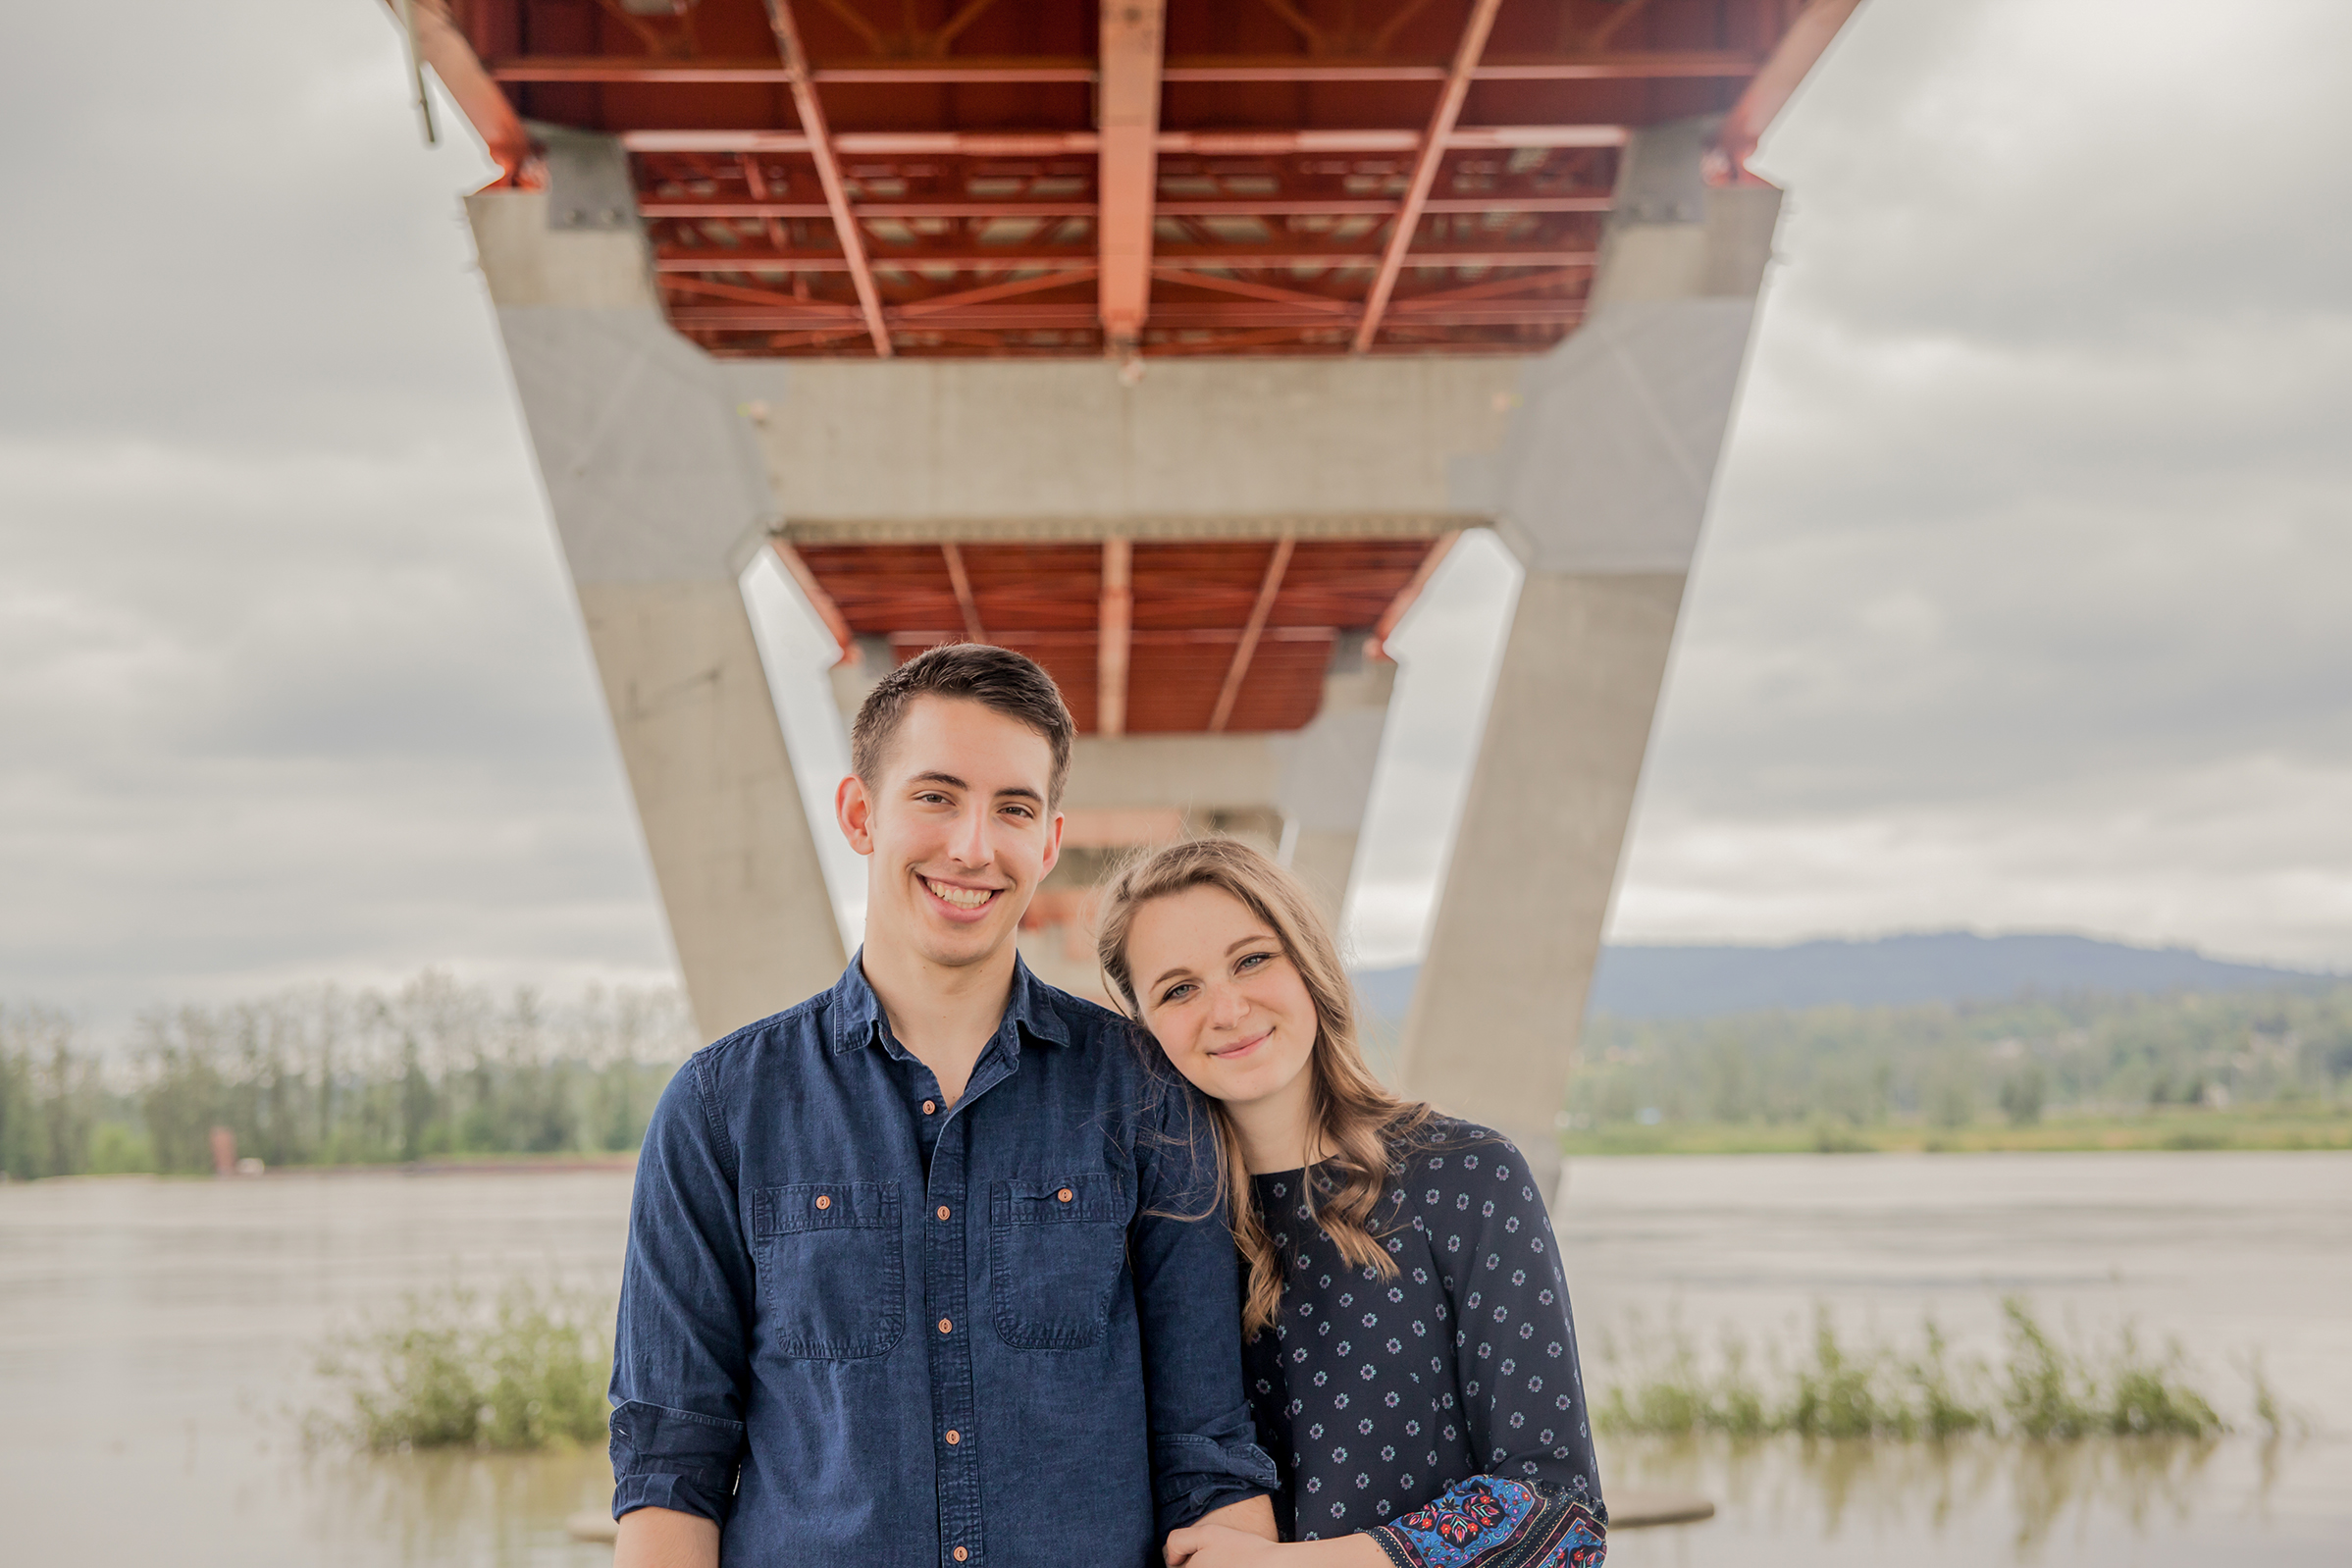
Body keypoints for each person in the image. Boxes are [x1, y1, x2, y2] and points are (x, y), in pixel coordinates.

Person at [606, 644, 1280, 1568]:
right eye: (935, 796)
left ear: (1047, 841)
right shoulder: (720, 1108)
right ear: (859, 814)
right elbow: (669, 1467)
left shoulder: (1147, 1093)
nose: (973, 846)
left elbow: (1209, 1459)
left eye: (1013, 808)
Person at [1094, 838, 1607, 1568]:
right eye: (1178, 989)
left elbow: (1562, 1517)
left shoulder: (1465, 1176)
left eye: (1251, 960)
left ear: (1308, 963)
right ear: (1142, 1030)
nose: (1228, 1008)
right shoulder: (1150, 1229)